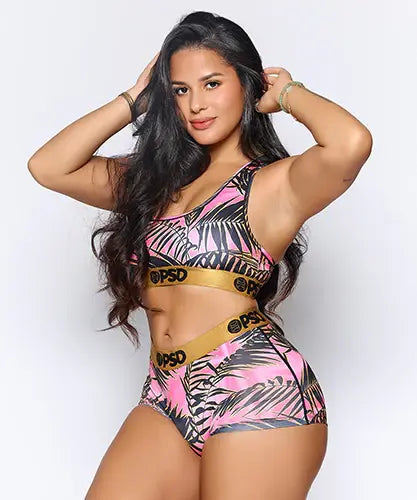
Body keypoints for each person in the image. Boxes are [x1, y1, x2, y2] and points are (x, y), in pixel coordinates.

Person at [28, 10, 372, 500]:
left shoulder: (275, 185)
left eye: (212, 84)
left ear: (246, 84)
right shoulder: (151, 183)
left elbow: (352, 143)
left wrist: (288, 94)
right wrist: (134, 100)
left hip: (256, 391)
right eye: (180, 90)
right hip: (165, 392)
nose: (195, 104)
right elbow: (49, 167)